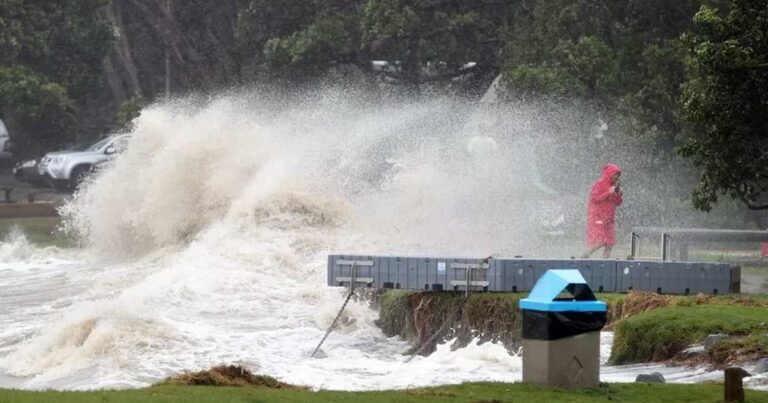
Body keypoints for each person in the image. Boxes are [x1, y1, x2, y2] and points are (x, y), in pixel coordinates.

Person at [582, 164, 623, 259]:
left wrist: (619, 195)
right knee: (600, 241)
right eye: (615, 175)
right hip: (598, 217)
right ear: (609, 174)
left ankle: (605, 263)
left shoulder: (613, 187)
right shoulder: (600, 184)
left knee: (610, 243)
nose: (616, 178)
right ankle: (584, 256)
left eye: (618, 176)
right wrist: (608, 192)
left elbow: (617, 203)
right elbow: (595, 199)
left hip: (609, 219)